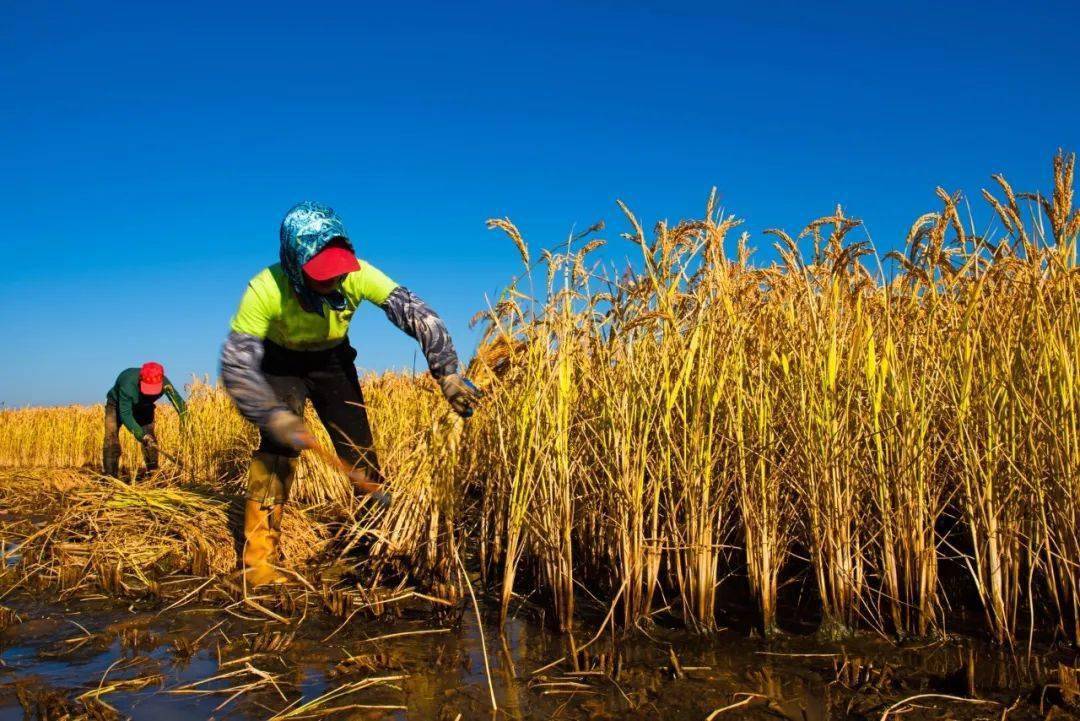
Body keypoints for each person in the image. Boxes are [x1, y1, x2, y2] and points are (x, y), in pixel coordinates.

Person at [220, 201, 480, 587]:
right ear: (294, 262)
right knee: (279, 448)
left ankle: (376, 542)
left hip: (332, 363)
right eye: (320, 274)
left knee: (358, 448)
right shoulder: (265, 289)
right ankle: (258, 560)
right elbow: (236, 366)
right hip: (280, 365)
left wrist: (448, 372)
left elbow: (418, 314)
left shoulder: (356, 274)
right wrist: (272, 414)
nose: (333, 281)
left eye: (338, 272)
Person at [103, 362, 187, 479]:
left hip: (144, 406)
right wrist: (140, 434)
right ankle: (110, 478)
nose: (151, 392)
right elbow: (126, 414)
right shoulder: (127, 383)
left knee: (150, 438)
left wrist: (186, 428)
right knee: (111, 438)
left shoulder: (165, 383)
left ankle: (153, 475)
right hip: (116, 406)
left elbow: (180, 405)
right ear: (140, 380)